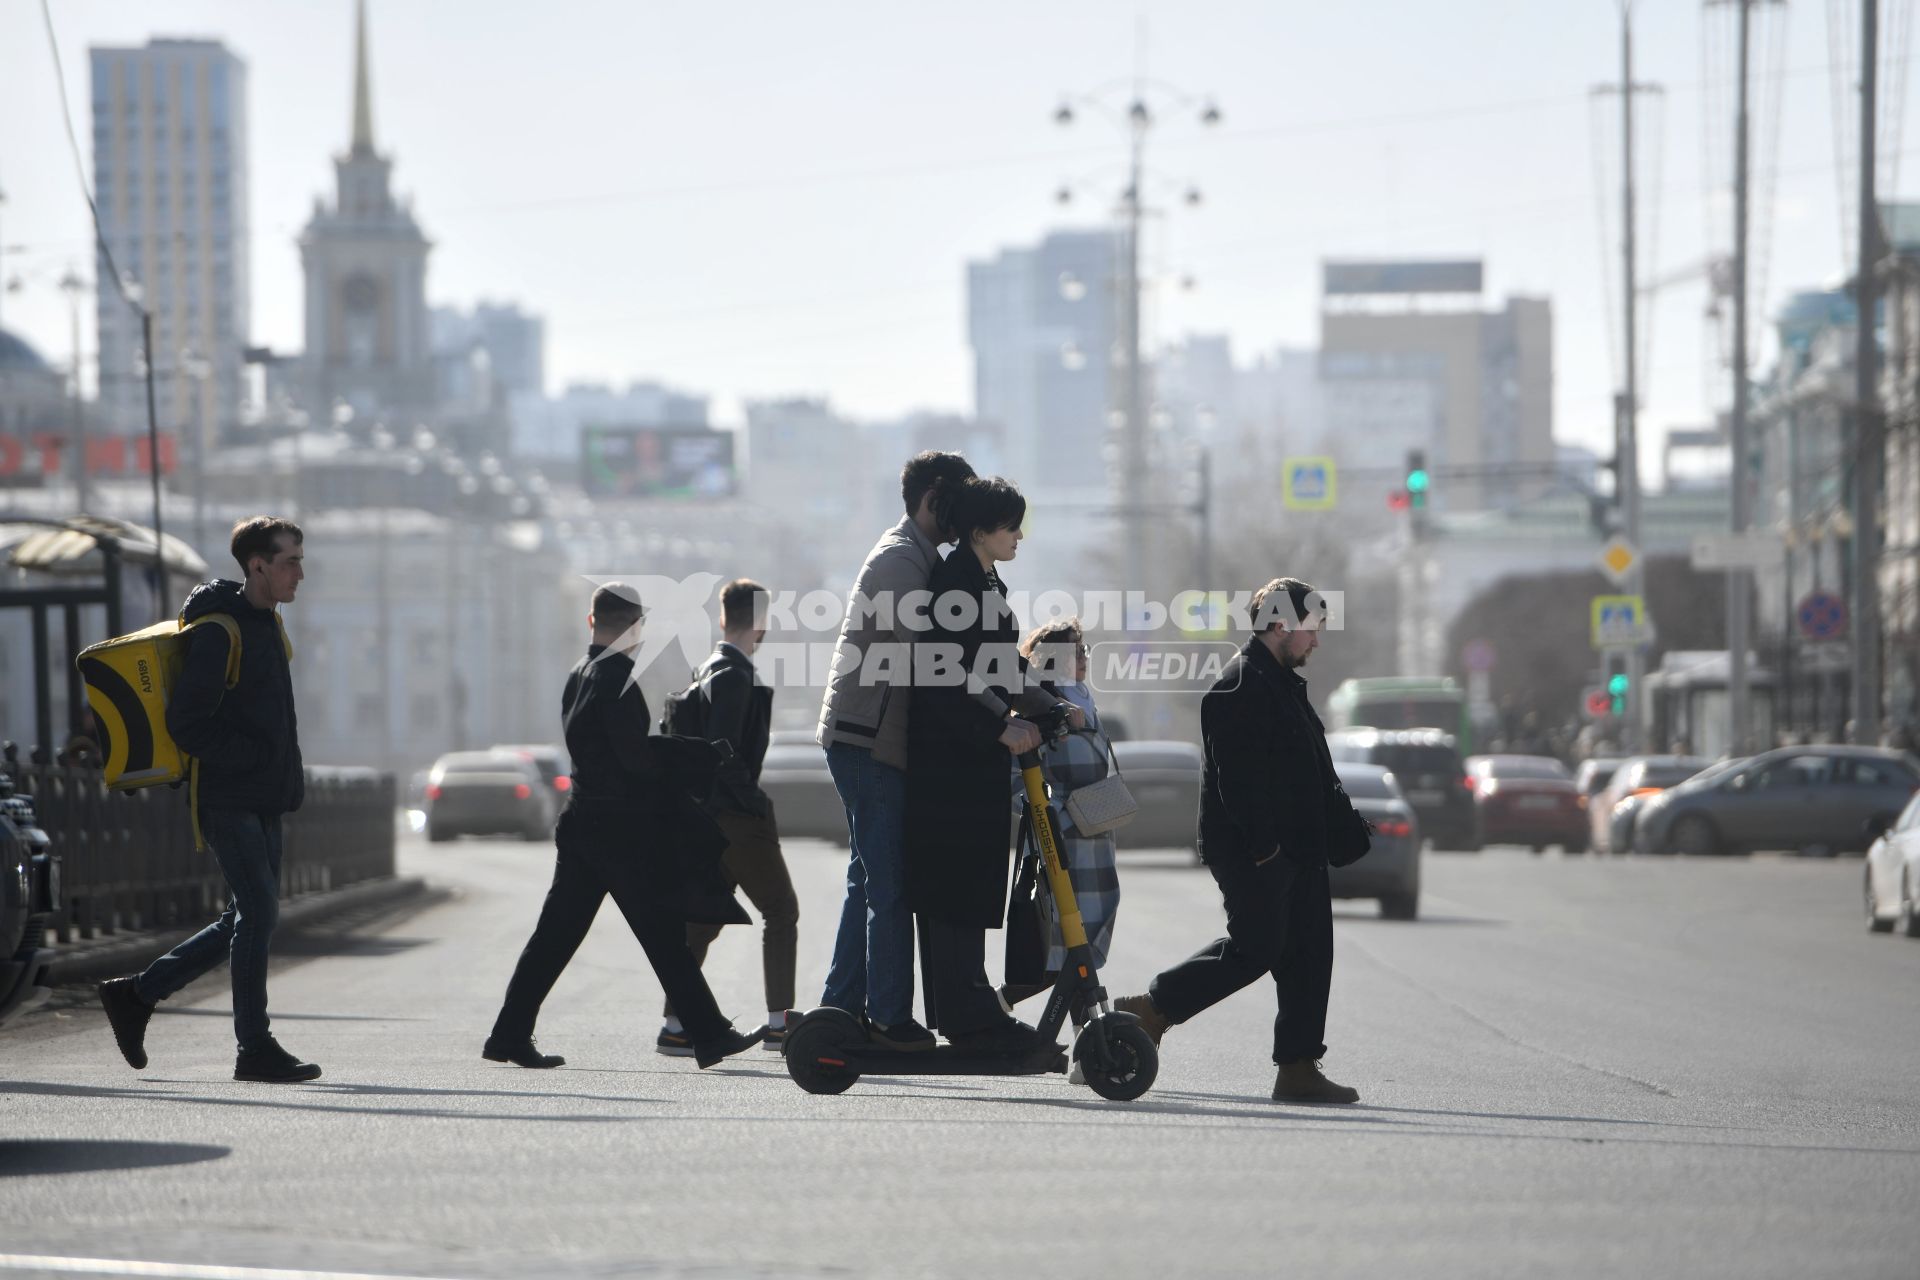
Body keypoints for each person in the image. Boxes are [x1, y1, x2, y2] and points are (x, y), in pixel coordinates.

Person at [483, 584, 763, 1070]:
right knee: (661, 936)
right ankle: (711, 1035)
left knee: (554, 939)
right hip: (618, 833)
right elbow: (637, 761)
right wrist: (696, 753)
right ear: (636, 628)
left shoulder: (580, 674)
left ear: (592, 623)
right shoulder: (618, 679)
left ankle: (508, 1035)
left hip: (582, 823)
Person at [1115, 577, 1371, 1104]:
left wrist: (1337, 829)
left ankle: (1298, 1067)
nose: (1316, 641)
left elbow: (1311, 773)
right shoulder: (1238, 686)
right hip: (1258, 852)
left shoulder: (1282, 683)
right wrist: (1266, 849)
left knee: (1308, 955)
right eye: (1311, 629)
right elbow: (1238, 782)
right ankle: (1150, 1008)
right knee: (1256, 948)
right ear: (1281, 624)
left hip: (1299, 848)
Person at [98, 516, 319, 1083]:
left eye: (300, 558)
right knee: (260, 912)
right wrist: (253, 759)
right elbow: (189, 722)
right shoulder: (221, 630)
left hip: (262, 795)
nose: (300, 572)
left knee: (246, 916)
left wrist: (275, 771)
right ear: (258, 566)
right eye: (290, 560)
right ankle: (254, 1048)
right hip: (227, 797)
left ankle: (137, 995)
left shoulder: (266, 623)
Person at [906, 476, 1075, 1055]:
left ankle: (973, 1003)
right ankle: (967, 1015)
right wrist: (1000, 725)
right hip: (950, 765)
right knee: (955, 888)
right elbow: (940, 677)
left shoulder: (983, 580)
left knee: (973, 884)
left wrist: (1051, 707)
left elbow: (999, 670)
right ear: (979, 531)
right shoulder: (955, 583)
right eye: (1010, 526)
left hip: (971, 762)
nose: (1019, 536)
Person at [815, 451, 976, 1050]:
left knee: (868, 878)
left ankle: (839, 1007)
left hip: (862, 736)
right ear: (935, 498)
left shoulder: (913, 554)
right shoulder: (902, 563)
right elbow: (934, 656)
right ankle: (887, 1019)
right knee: (889, 884)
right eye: (959, 503)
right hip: (867, 740)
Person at [657, 578, 801, 1056]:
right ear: (759, 622)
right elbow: (723, 749)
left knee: (702, 920)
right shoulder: (734, 674)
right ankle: (780, 1023)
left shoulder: (706, 668)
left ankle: (676, 1024)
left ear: (724, 617)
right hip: (735, 817)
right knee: (781, 911)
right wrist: (754, 802)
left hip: (704, 816)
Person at [1015, 619, 1121, 978]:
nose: (1083, 657)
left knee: (1084, 947)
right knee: (1061, 949)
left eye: (1084, 649)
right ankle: (1000, 1009)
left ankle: (1086, 1029)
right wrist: (1058, 816)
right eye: (1074, 650)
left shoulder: (1084, 700)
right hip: (1062, 845)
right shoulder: (1039, 710)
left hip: (1096, 838)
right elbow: (1015, 782)